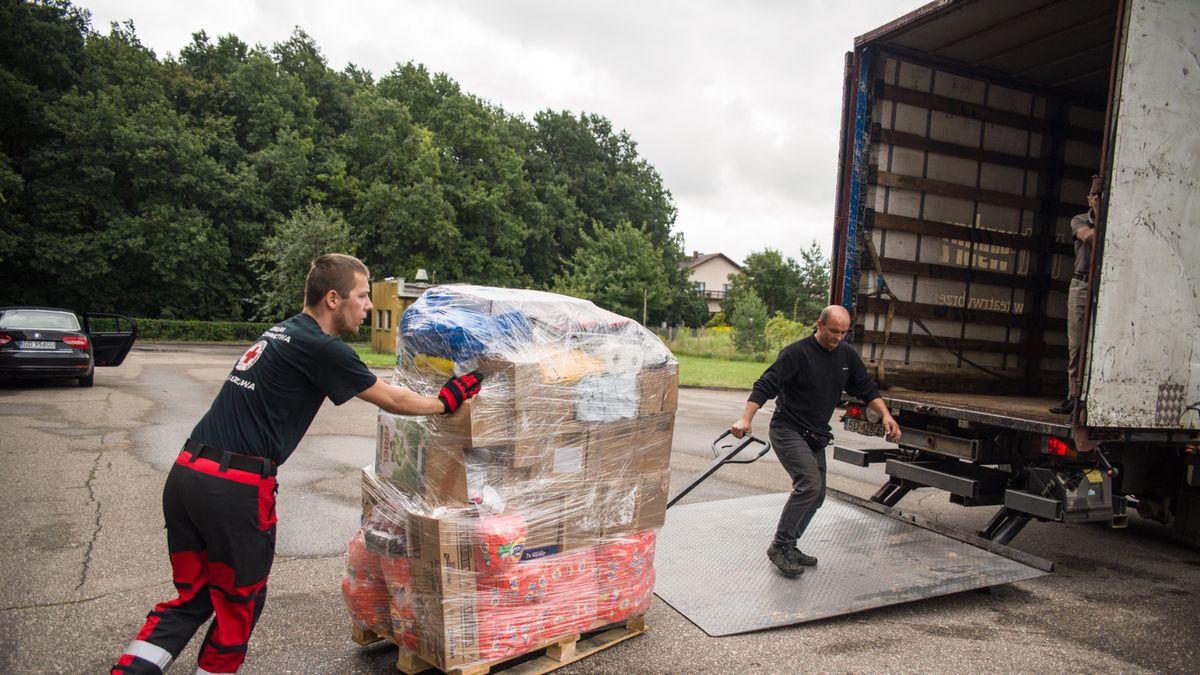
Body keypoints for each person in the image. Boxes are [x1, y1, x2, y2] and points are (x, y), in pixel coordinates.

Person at [111, 254, 482, 675]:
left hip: (187, 475)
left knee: (194, 597)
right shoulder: (321, 347)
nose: (367, 306)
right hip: (232, 489)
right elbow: (393, 399)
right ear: (332, 298)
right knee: (241, 602)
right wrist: (445, 400)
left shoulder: (283, 331)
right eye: (361, 297)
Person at [730, 305, 900, 577]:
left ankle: (790, 546)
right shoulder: (796, 354)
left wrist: (886, 415)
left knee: (817, 495)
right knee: (808, 484)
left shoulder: (846, 356)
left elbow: (867, 388)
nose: (838, 337)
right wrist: (745, 419)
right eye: (834, 331)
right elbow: (766, 384)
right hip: (788, 429)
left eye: (843, 332)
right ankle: (779, 546)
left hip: (815, 434)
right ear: (819, 326)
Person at [1050, 179, 1100, 415]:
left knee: (1098, 344)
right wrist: (1100, 217)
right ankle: (1073, 396)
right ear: (1088, 199)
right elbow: (1090, 237)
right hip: (1081, 283)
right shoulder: (1079, 220)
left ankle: (1093, 397)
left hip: (1103, 285)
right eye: (1094, 197)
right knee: (1077, 343)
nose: (1097, 200)